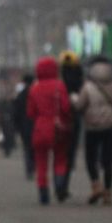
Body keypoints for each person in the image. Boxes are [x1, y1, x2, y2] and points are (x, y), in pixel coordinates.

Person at [73, 55, 112, 205]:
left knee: (91, 158)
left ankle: (96, 185)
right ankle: (108, 191)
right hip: (111, 126)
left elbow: (79, 106)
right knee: (108, 160)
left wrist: (74, 100)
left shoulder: (87, 87)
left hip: (92, 127)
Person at [26, 56, 72, 205]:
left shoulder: (35, 88)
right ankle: (59, 184)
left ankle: (43, 193)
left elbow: (30, 112)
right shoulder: (60, 85)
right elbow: (66, 107)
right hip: (58, 128)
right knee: (60, 158)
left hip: (40, 127)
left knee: (41, 162)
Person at [59, 51, 84, 174]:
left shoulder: (60, 77)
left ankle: (65, 163)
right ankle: (70, 161)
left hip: (63, 114)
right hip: (74, 111)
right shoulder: (79, 74)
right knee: (72, 140)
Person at [11, 75, 35, 178]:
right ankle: (33, 166)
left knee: (27, 148)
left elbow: (15, 113)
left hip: (24, 127)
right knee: (34, 148)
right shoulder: (36, 93)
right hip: (35, 125)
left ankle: (29, 169)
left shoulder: (20, 95)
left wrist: (16, 127)